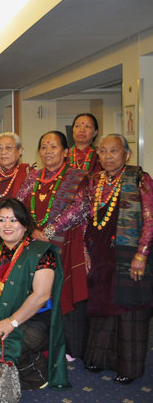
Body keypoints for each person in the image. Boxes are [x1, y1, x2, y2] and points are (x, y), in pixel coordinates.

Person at [0, 198, 69, 390]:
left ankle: (36, 371)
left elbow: (41, 295)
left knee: (6, 344)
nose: (7, 225)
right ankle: (8, 371)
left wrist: (12, 322)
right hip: (0, 314)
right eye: (2, 220)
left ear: (25, 224)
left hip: (35, 319)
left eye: (13, 220)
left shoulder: (40, 252)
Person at [83, 134, 153, 383]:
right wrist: (85, 251)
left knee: (129, 310)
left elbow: (150, 219)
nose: (108, 156)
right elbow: (88, 219)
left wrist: (141, 255)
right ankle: (100, 358)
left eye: (114, 151)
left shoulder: (139, 178)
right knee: (102, 304)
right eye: (103, 151)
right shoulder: (95, 180)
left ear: (127, 154)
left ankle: (129, 368)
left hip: (128, 253)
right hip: (101, 252)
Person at [16, 131, 90, 361]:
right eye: (44, 147)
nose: (48, 151)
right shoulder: (34, 176)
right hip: (34, 244)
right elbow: (19, 204)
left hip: (66, 244)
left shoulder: (77, 176)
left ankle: (71, 348)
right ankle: (44, 342)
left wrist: (47, 231)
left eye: (54, 147)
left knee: (64, 292)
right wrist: (31, 230)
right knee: (38, 292)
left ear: (66, 152)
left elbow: (80, 208)